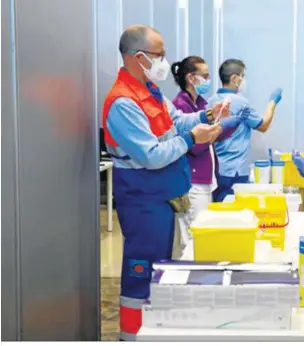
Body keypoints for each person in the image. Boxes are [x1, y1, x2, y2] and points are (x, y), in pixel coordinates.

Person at [102, 25, 230, 341]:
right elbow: (152, 155)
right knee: (140, 273)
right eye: (159, 54)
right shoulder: (123, 102)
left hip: (162, 198)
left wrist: (206, 117)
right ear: (139, 57)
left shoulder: (149, 92)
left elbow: (175, 122)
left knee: (161, 271)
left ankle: (156, 331)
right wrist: (190, 139)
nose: (164, 61)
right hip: (142, 202)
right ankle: (131, 335)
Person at [170, 56, 241, 247]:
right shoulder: (180, 105)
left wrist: (227, 123)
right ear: (191, 78)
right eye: (205, 76)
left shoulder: (201, 103)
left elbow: (212, 136)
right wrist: (214, 130)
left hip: (206, 178)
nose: (209, 81)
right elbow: (192, 143)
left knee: (202, 235)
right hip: (191, 180)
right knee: (194, 240)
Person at [207, 59, 283, 202]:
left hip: (216, 170)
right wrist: (273, 102)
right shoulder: (240, 102)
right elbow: (263, 125)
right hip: (234, 171)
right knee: (234, 215)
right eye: (243, 76)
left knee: (219, 212)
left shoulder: (211, 101)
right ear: (234, 78)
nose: (244, 81)